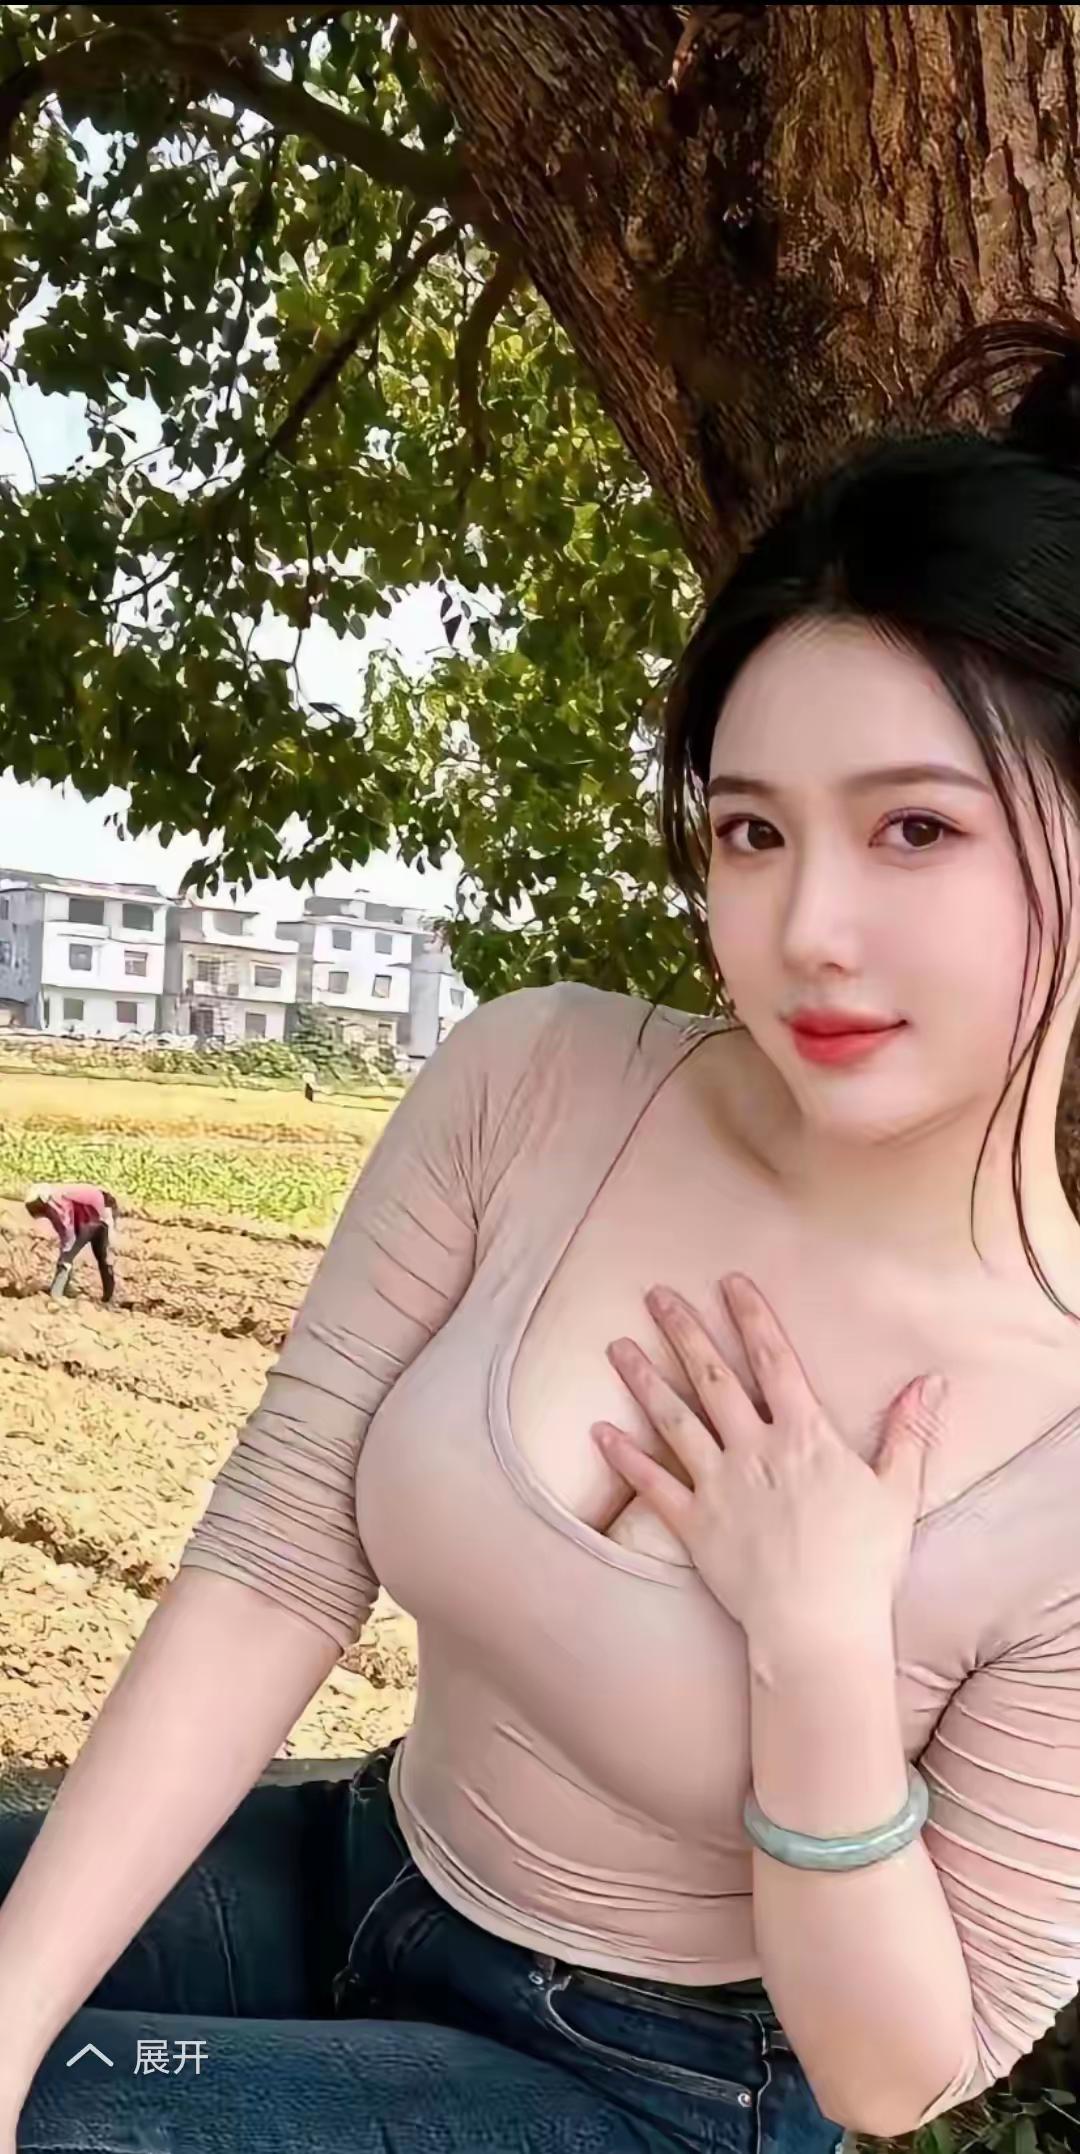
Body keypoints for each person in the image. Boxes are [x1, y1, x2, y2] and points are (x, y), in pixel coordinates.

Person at [1, 319, 1080, 2154]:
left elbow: (900, 2066)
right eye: (753, 832)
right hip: (360, 1869)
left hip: (654, 2080)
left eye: (914, 828)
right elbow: (273, 1559)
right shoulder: (543, 1080)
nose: (807, 927)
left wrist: (820, 1648)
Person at [24, 1183, 118, 1305]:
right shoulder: (54, 1203)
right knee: (100, 1257)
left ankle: (57, 1293)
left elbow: (67, 1226)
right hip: (93, 1217)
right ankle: (106, 1298)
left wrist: (66, 1252)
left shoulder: (56, 1201)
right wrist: (66, 1249)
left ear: (42, 1201)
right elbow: (63, 1229)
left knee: (92, 1256)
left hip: (99, 1214)